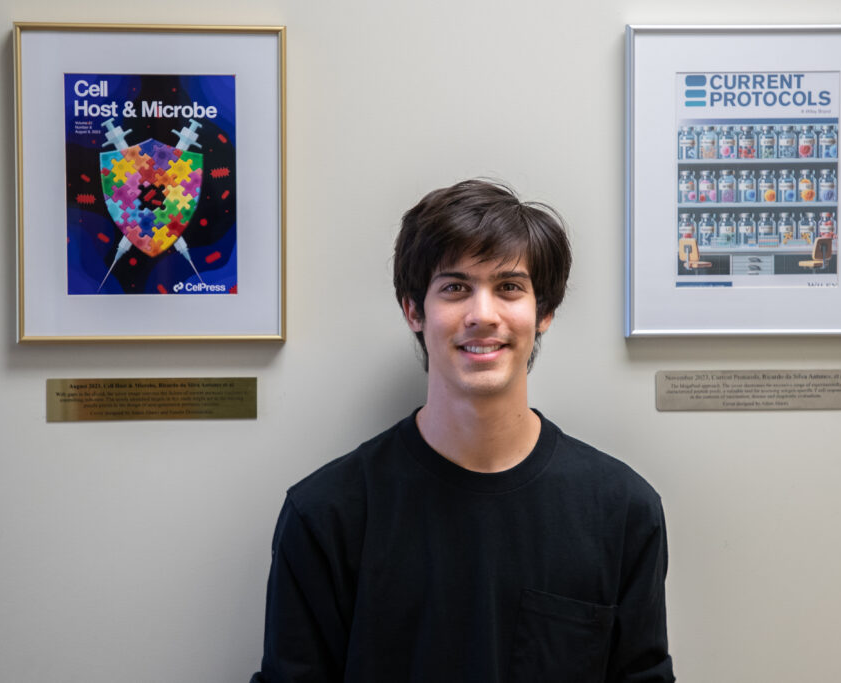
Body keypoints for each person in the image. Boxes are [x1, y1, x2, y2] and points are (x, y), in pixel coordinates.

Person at [250, 179, 674, 682]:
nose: (483, 315)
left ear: (545, 313)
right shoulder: (326, 514)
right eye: (454, 288)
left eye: (509, 287)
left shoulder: (621, 509)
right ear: (413, 310)